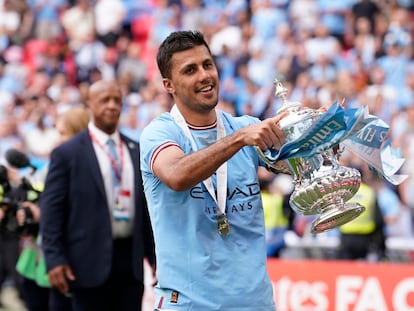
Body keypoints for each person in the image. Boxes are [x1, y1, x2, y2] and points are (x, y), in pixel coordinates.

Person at [140, 30, 286, 311]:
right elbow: (177, 175)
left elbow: (293, 163)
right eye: (190, 70)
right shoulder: (160, 133)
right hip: (189, 305)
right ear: (168, 84)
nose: (204, 75)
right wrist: (239, 139)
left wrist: (318, 134)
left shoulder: (244, 125)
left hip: (255, 304)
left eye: (208, 65)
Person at [40, 80, 156, 311]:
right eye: (105, 100)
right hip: (86, 262)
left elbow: (146, 210)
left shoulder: (135, 149)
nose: (112, 106)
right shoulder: (68, 153)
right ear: (89, 106)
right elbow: (52, 210)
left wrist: (154, 257)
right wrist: (54, 259)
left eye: (117, 101)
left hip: (130, 264)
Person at [15, 106, 90, 311]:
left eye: (62, 133)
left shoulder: (86, 168)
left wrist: (43, 213)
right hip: (36, 255)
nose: (57, 140)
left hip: (64, 258)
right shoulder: (53, 163)